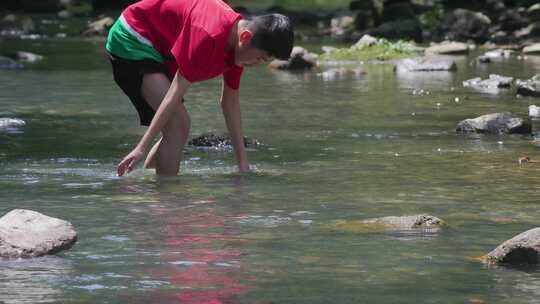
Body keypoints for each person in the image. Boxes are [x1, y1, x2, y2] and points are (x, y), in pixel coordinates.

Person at [105, 0, 294, 176]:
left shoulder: (237, 46)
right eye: (260, 58)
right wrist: (142, 146)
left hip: (162, 45)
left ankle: (151, 186)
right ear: (245, 37)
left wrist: (242, 165)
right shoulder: (209, 36)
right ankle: (167, 199)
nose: (256, 64)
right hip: (133, 35)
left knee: (176, 126)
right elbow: (173, 94)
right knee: (179, 123)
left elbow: (230, 103)